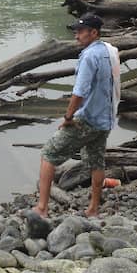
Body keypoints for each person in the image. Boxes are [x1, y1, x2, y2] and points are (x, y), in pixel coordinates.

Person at [33, 13, 116, 218]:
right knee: (96, 162)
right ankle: (93, 209)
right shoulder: (108, 51)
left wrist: (68, 117)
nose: (76, 36)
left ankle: (42, 208)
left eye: (80, 31)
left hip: (87, 118)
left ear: (93, 32)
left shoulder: (89, 56)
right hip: (105, 117)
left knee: (48, 154)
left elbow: (80, 92)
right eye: (76, 31)